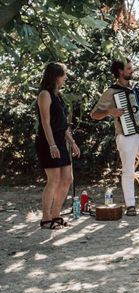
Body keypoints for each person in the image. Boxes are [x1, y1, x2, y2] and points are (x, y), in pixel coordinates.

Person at [90, 59, 139, 216]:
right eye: (129, 68)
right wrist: (109, 112)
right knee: (128, 170)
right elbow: (94, 114)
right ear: (120, 71)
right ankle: (130, 205)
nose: (132, 70)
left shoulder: (138, 87)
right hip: (125, 135)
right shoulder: (111, 92)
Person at [35, 62, 81, 229]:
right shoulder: (44, 95)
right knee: (53, 179)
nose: (66, 78)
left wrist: (72, 143)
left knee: (68, 179)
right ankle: (46, 218)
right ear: (56, 76)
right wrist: (52, 145)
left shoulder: (58, 96)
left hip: (60, 141)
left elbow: (63, 125)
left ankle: (56, 214)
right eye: (64, 75)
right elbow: (46, 123)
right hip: (48, 142)